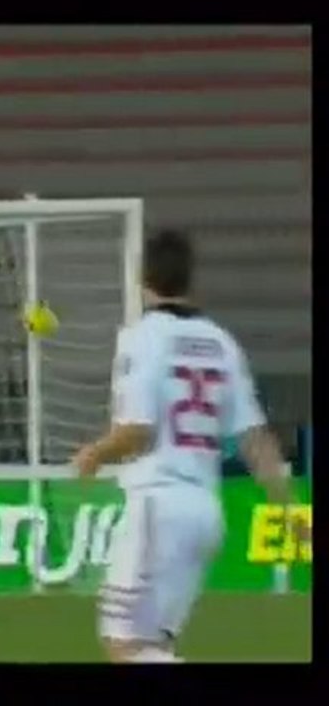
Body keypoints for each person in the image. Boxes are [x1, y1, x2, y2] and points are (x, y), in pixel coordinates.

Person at [71, 229, 308, 664]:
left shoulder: (142, 336)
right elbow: (255, 440)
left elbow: (138, 431)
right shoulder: (221, 343)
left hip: (158, 507)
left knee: (123, 645)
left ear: (143, 278)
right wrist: (291, 507)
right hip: (204, 511)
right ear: (189, 279)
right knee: (155, 644)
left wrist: (95, 453)